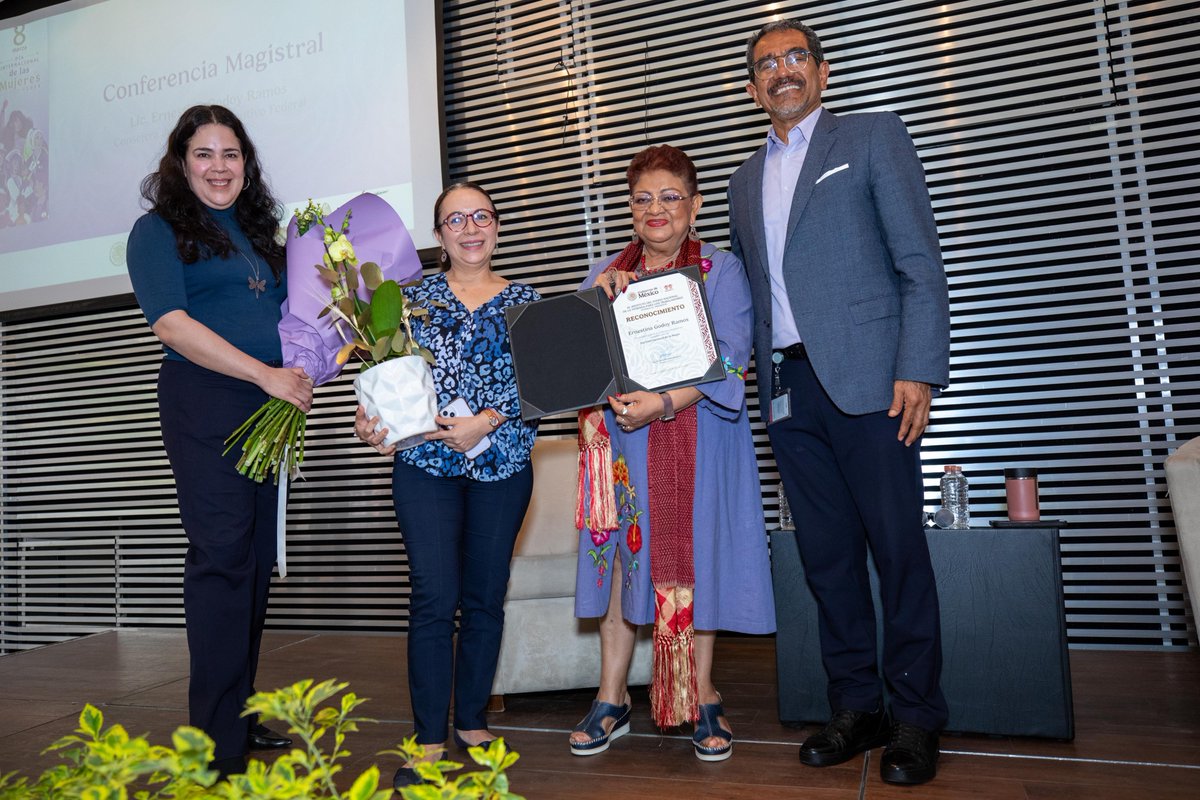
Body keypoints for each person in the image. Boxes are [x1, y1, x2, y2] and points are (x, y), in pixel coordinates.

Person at [728, 19, 952, 786]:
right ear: (753, 87)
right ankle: (859, 707)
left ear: (821, 73)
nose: (781, 72)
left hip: (871, 383)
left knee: (898, 552)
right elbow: (755, 293)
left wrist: (917, 368)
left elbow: (920, 262)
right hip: (790, 393)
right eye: (766, 65)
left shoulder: (873, 137)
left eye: (795, 58)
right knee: (826, 562)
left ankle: (918, 717)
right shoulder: (740, 179)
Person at [570, 144, 775, 762]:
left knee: (699, 558)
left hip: (704, 434)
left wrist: (665, 403)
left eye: (669, 197)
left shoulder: (722, 270)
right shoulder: (607, 271)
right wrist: (598, 303)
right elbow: (579, 361)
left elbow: (734, 357)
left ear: (695, 205)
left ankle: (702, 691)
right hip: (626, 444)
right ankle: (613, 697)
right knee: (618, 569)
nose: (654, 209)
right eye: (641, 198)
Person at [126, 105, 312, 777]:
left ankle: (238, 712)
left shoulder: (267, 237)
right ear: (182, 162)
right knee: (221, 559)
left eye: (230, 153)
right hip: (204, 400)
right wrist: (264, 372)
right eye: (203, 154)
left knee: (256, 564)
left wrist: (316, 360)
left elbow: (302, 317)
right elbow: (171, 326)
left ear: (246, 162)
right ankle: (211, 739)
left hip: (267, 405)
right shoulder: (158, 231)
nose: (218, 166)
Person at [354, 182, 540, 790]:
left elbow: (546, 387)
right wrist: (370, 419)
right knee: (435, 597)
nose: (470, 227)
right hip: (425, 467)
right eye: (455, 219)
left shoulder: (528, 301)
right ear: (439, 235)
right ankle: (430, 732)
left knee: (486, 598)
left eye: (481, 216)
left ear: (497, 226)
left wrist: (486, 420)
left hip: (502, 464)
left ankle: (471, 719)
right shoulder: (404, 302)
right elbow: (385, 379)